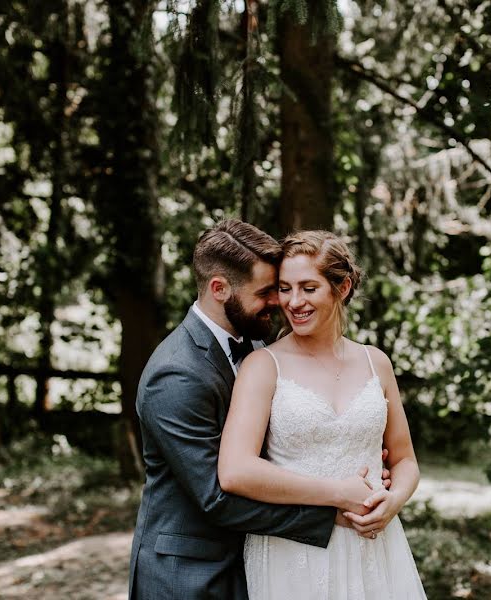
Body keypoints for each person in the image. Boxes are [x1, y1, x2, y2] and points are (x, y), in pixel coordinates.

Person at [128, 221, 380, 599]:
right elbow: (216, 496)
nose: (280, 302)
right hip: (189, 575)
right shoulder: (175, 374)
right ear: (219, 289)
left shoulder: (257, 343)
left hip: (256, 561)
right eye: (267, 292)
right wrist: (332, 511)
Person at [218, 230, 427, 599]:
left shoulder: (376, 363)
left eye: (308, 288)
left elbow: (405, 458)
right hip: (294, 552)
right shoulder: (263, 366)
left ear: (342, 288)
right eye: (285, 288)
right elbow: (235, 471)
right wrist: (337, 494)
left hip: (375, 547)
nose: (294, 301)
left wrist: (393, 502)